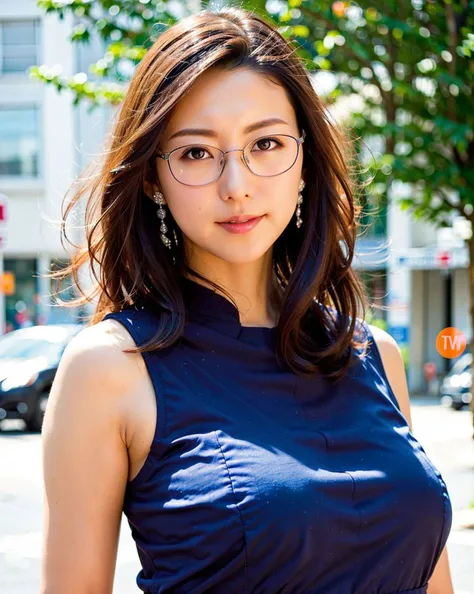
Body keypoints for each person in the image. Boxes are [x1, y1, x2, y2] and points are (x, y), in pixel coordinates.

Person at [40, 7, 454, 594]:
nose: (237, 184)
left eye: (265, 143)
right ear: (153, 176)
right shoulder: (108, 369)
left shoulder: (372, 353)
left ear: (305, 157)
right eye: (196, 153)